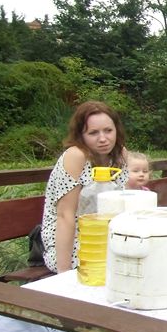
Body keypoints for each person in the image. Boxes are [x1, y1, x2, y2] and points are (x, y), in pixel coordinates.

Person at [40, 101, 129, 273]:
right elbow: (65, 216)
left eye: (108, 131)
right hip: (70, 240)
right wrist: (63, 275)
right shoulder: (76, 156)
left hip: (105, 233)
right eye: (93, 133)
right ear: (81, 135)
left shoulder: (120, 155)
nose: (103, 138)